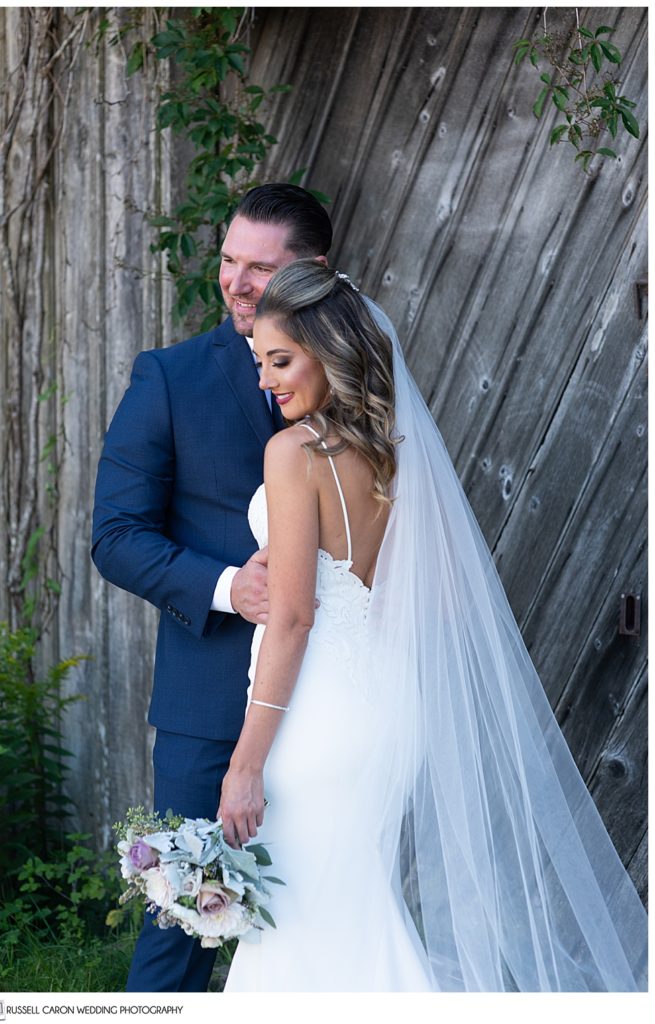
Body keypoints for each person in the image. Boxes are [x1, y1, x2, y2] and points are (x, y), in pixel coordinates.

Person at [218, 259, 648, 992]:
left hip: (317, 722)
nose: (266, 379)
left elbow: (290, 620)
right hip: (387, 714)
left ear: (328, 350)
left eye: (280, 360)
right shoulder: (395, 452)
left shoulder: (294, 455)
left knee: (300, 927)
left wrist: (245, 764)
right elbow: (434, 599)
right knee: (348, 913)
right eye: (259, 362)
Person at [91, 185, 331, 992]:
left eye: (260, 267)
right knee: (182, 934)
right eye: (229, 259)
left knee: (327, 917)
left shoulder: (365, 382)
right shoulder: (168, 379)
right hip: (211, 703)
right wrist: (231, 586)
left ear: (313, 270)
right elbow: (115, 537)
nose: (234, 281)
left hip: (341, 696)